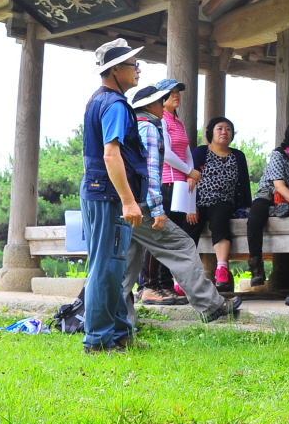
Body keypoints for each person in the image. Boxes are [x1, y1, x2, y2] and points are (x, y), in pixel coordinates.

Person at [121, 84, 242, 324]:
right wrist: (157, 209)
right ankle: (210, 305)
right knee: (182, 244)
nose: (164, 103)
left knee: (129, 261)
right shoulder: (150, 128)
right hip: (143, 203)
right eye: (160, 100)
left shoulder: (132, 125)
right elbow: (150, 173)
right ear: (150, 105)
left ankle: (119, 322)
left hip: (125, 203)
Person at [78, 37, 146, 353]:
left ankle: (120, 334)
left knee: (112, 266)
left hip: (96, 191)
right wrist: (129, 200)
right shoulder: (115, 105)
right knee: (106, 268)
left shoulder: (97, 100)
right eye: (134, 65)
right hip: (108, 196)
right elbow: (111, 154)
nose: (138, 70)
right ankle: (97, 340)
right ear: (116, 69)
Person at [140, 78, 201, 306]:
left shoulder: (178, 122)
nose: (176, 95)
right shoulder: (160, 121)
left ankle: (165, 285)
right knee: (159, 235)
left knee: (171, 237)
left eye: (178, 92)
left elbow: (186, 151)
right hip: (164, 183)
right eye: (171, 92)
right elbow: (166, 153)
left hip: (180, 186)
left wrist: (190, 173)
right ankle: (149, 285)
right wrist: (189, 171)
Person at [183, 116, 251, 293]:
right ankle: (182, 276)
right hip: (198, 201)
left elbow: (244, 184)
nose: (224, 132)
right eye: (219, 128)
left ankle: (222, 269)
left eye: (228, 129)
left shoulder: (238, 156)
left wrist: (246, 207)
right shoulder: (200, 152)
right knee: (188, 230)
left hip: (223, 202)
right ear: (211, 133)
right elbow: (189, 179)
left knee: (220, 218)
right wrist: (191, 205)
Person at [246, 121, 289, 284]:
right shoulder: (279, 155)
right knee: (255, 217)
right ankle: (256, 266)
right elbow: (279, 186)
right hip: (270, 196)